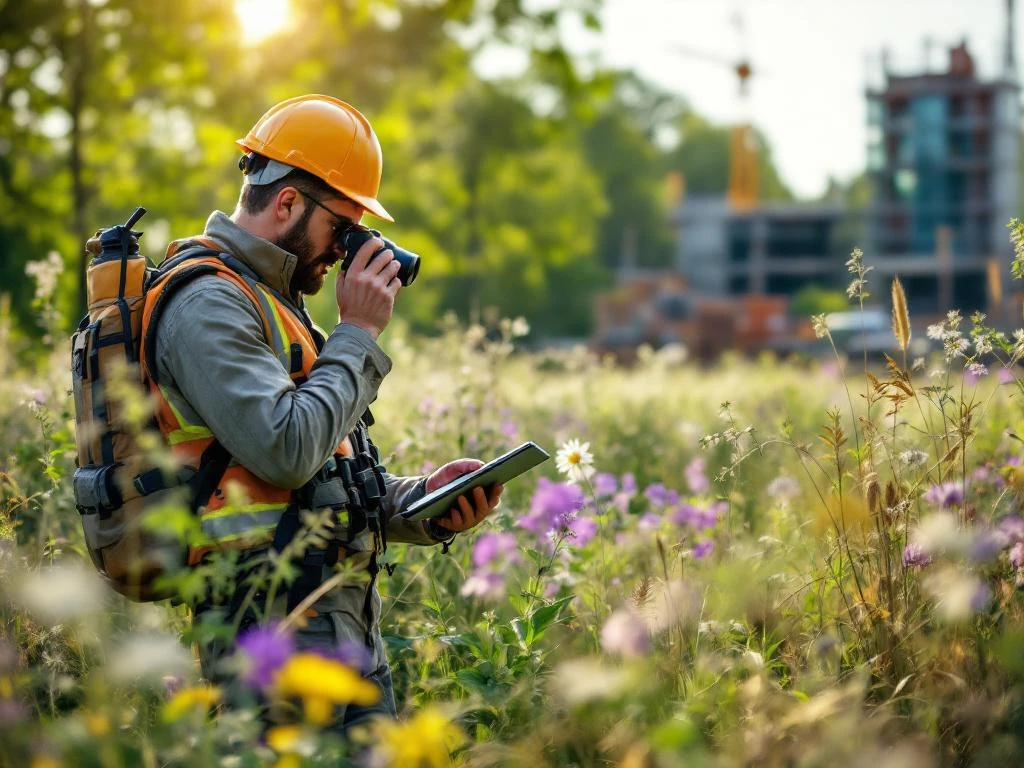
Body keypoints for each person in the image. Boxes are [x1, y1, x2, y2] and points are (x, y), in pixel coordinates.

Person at [140, 94, 503, 732]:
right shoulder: (207, 304)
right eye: (342, 226)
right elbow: (284, 448)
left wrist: (422, 502)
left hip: (343, 623)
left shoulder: (277, 304)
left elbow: (317, 479)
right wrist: (358, 331)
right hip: (272, 639)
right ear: (286, 204)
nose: (346, 250)